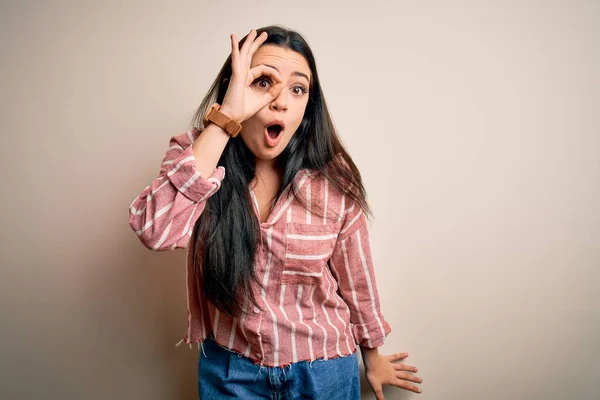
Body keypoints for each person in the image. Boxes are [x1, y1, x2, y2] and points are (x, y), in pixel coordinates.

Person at [128, 25, 422, 399]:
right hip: (231, 371)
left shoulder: (333, 179)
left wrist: (373, 355)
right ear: (235, 85)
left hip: (324, 370)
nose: (281, 101)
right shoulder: (195, 154)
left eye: (298, 89)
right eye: (263, 82)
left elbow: (357, 279)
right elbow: (154, 230)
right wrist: (226, 119)